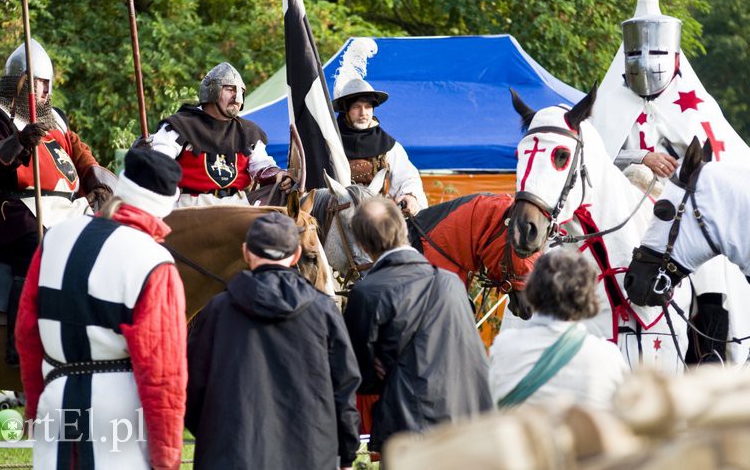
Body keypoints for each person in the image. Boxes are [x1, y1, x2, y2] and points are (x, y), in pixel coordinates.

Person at [592, 0, 750, 365]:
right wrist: (640, 157)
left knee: (714, 273)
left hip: (679, 208)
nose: (645, 61)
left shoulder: (695, 105)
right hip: (625, 203)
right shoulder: (608, 104)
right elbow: (594, 159)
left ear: (673, 55)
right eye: (637, 52)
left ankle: (710, 354)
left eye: (656, 52)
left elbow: (718, 162)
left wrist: (682, 168)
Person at [16, 147, 187, 469]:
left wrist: (36, 408)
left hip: (56, 402)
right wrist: (167, 460)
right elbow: (163, 375)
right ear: (165, 206)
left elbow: (27, 334)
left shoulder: (56, 236)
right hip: (119, 417)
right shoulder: (155, 262)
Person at [0, 39, 115, 366]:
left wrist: (97, 182)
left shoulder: (56, 120)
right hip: (11, 207)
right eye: (35, 83)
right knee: (35, 246)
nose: (41, 91)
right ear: (18, 82)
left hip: (67, 206)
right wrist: (20, 142)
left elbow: (81, 154)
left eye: (46, 84)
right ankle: (19, 341)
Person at [186, 212, 360, 469]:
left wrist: (216, 437)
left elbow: (193, 385)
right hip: (310, 455)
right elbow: (344, 386)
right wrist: (346, 452)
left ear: (246, 253)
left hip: (231, 454)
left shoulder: (216, 311)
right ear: (296, 256)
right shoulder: (323, 311)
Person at [343, 197, 491, 453]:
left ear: (362, 244)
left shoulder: (367, 292)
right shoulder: (452, 283)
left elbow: (358, 374)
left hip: (411, 432)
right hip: (470, 426)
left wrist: (389, 366)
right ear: (403, 227)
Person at [489, 251, 628, 409]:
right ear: (587, 296)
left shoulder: (504, 346)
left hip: (520, 432)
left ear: (532, 289)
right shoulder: (608, 356)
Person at [148, 62, 294, 206]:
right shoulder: (179, 126)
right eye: (230, 90)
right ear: (212, 91)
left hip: (237, 204)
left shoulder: (248, 131)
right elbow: (160, 162)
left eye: (240, 92)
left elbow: (261, 164)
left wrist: (275, 174)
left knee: (284, 193)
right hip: (193, 207)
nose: (237, 97)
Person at [333, 78, 428, 216]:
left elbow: (408, 178)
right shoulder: (330, 143)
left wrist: (410, 196)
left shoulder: (388, 145)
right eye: (356, 107)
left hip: (378, 217)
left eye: (368, 107)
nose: (363, 113)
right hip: (337, 218)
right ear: (345, 110)